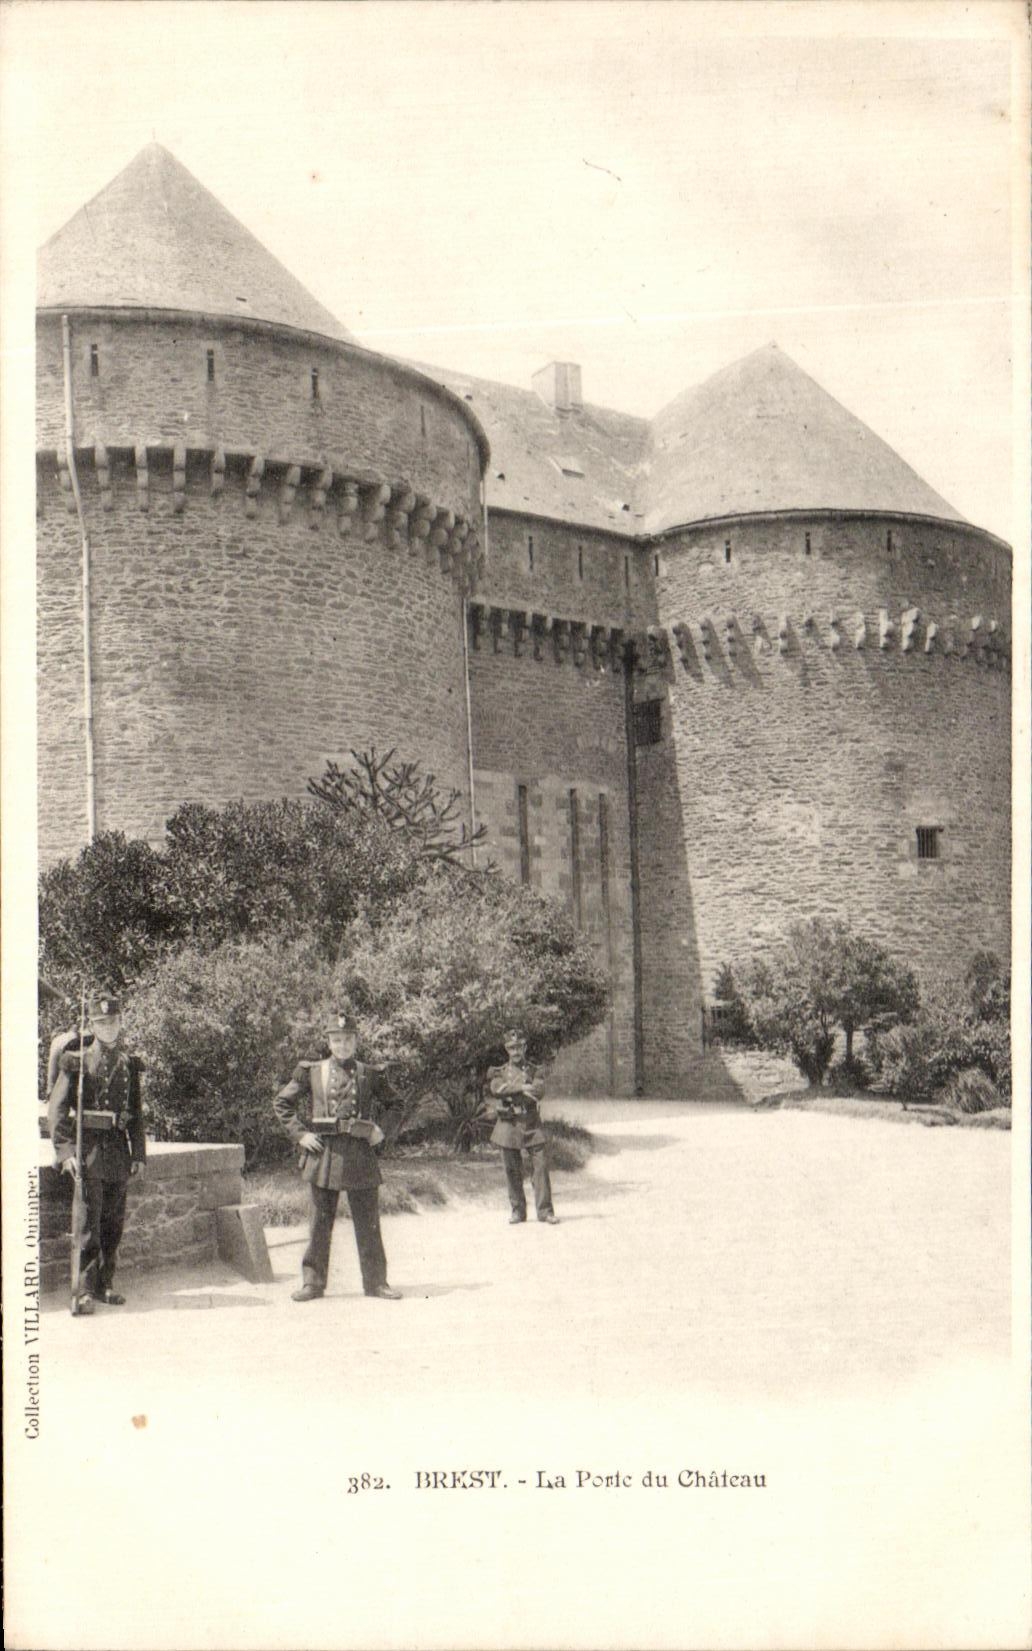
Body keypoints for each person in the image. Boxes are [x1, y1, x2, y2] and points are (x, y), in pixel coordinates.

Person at [273, 1010, 401, 1303]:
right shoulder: (313, 1071)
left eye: (348, 1040)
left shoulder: (370, 1073)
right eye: (337, 1039)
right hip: (324, 1152)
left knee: (368, 1221)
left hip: (359, 1152)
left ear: (355, 1041)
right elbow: (283, 1102)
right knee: (319, 1221)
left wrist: (382, 1130)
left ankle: (376, 1282)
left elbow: (396, 1103)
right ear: (329, 1041)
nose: (342, 1045)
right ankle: (313, 1283)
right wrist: (301, 1135)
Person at [48, 990, 146, 1315]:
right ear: (92, 1023)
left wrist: (139, 1154)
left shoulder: (128, 1063)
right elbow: (58, 1109)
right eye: (102, 1022)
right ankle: (83, 1292)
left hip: (118, 1151)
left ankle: (105, 1285)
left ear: (120, 1022)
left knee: (113, 1223)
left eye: (113, 1021)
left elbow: (136, 1113)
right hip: (88, 1150)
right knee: (88, 1223)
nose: (108, 1028)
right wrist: (65, 1151)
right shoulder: (76, 1060)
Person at [488, 1028, 559, 1225]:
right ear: (506, 1049)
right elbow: (496, 1089)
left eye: (519, 1047)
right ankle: (518, 1211)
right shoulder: (499, 1072)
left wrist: (511, 1093)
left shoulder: (535, 1070)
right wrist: (522, 1088)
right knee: (512, 1169)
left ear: (525, 1047)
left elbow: (538, 1091)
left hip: (531, 1123)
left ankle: (545, 1211)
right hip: (509, 1124)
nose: (515, 1051)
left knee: (541, 1166)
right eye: (511, 1048)